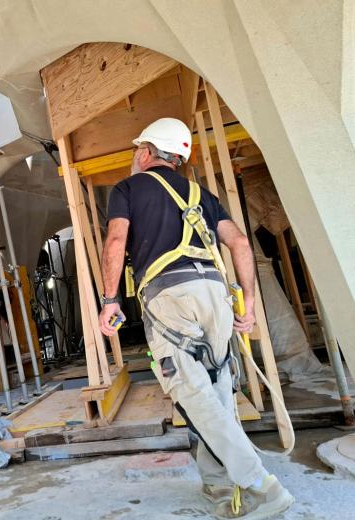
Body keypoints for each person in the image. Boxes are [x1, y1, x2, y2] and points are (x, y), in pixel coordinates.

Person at [98, 118, 294, 519]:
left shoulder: (127, 189)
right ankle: (219, 485)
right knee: (217, 396)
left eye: (139, 149)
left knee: (193, 395)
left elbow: (116, 240)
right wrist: (249, 304)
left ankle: (261, 486)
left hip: (171, 296)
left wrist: (110, 300)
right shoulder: (201, 194)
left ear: (147, 152)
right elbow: (240, 242)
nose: (136, 156)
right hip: (216, 295)